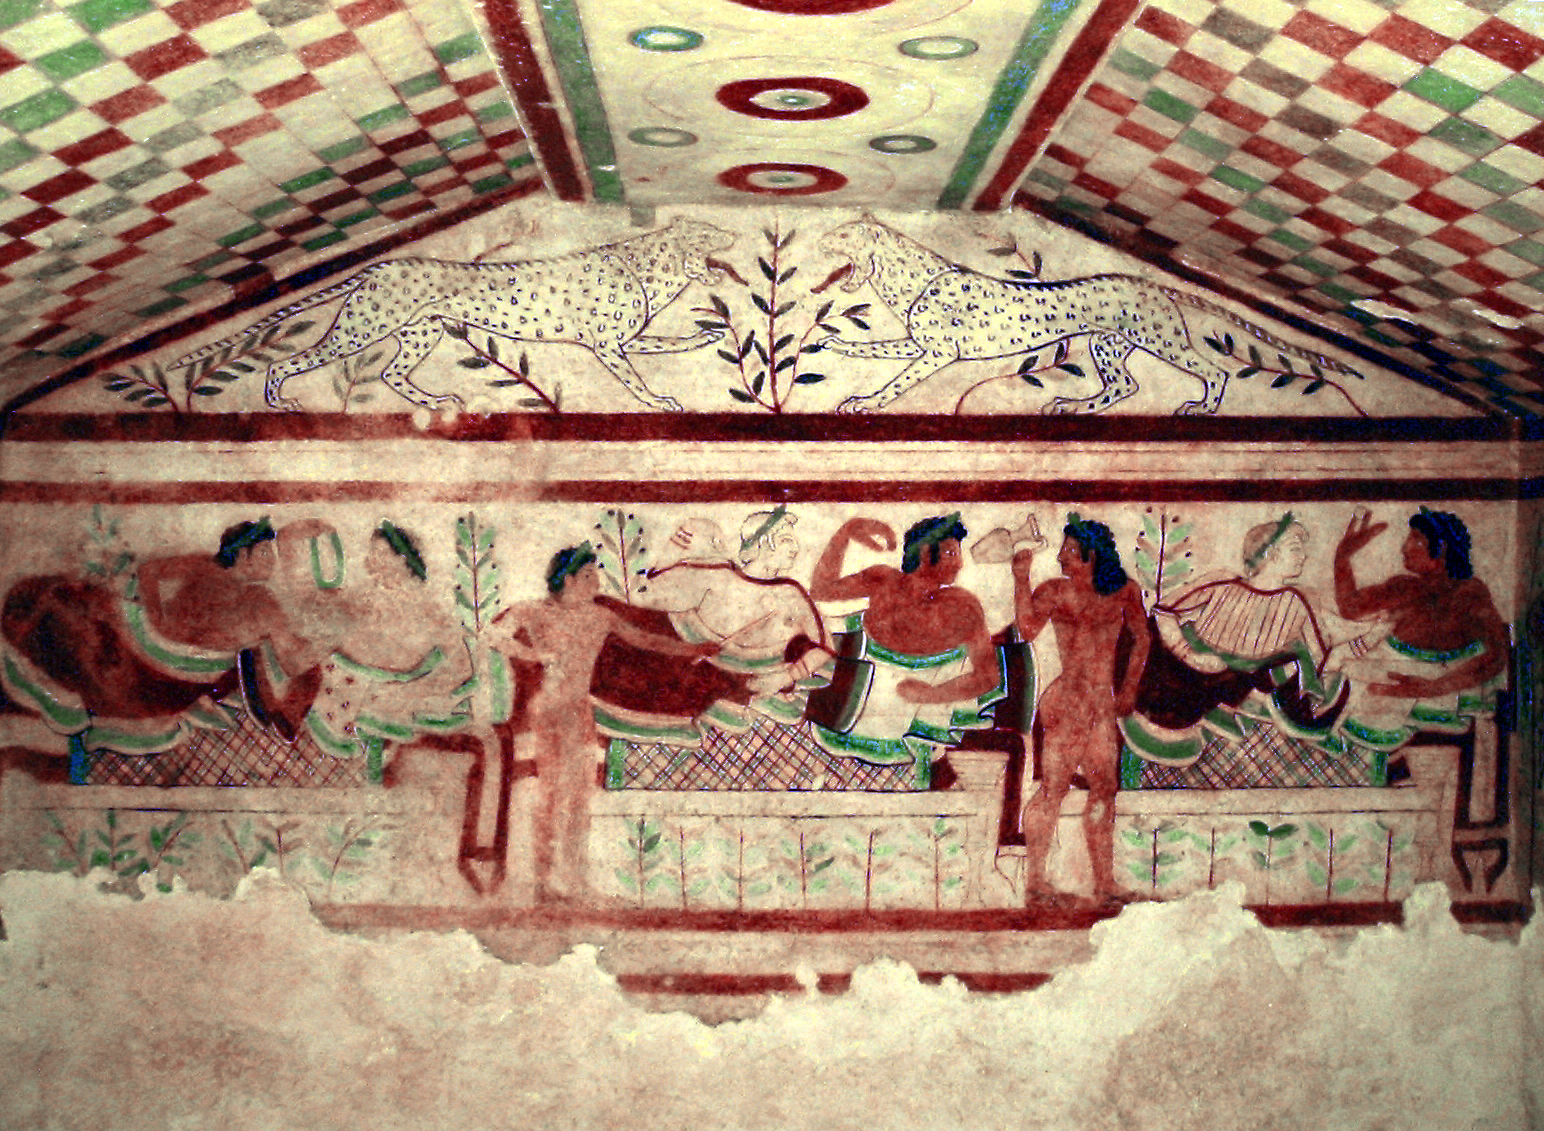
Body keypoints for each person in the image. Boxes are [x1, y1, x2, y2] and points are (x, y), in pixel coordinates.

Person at [488, 544, 719, 902]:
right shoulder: (534, 611)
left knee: (579, 799)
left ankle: (575, 882)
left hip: (579, 712)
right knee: (551, 797)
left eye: (595, 574)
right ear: (568, 580)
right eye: (588, 575)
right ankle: (543, 884)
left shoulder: (599, 617)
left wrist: (694, 650)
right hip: (549, 712)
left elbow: (645, 640)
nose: (596, 581)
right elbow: (492, 634)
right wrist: (533, 654)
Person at [1013, 514, 1149, 909]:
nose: (1060, 557)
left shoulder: (1124, 591)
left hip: (1101, 704)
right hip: (1067, 701)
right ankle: (1036, 884)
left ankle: (1104, 883)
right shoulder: (1056, 591)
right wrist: (1020, 579)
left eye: (1070, 550)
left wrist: (1130, 687)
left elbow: (1141, 639)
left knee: (1105, 788)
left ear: (1093, 554)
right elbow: (1026, 629)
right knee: (1053, 789)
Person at [808, 513, 1001, 767]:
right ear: (925, 553)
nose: (960, 564)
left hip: (899, 723)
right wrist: (846, 531)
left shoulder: (961, 606)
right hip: (856, 711)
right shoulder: (884, 581)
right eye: (951, 554)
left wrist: (931, 695)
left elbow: (988, 677)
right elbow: (820, 591)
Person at [1331, 508, 1507, 737]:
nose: (1404, 547)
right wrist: (1342, 558)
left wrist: (1433, 687)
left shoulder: (1469, 593)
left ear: (1442, 547)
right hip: (1385, 674)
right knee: (1333, 678)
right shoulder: (1404, 586)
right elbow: (1350, 608)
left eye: (1416, 540)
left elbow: (1496, 655)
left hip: (1426, 689)